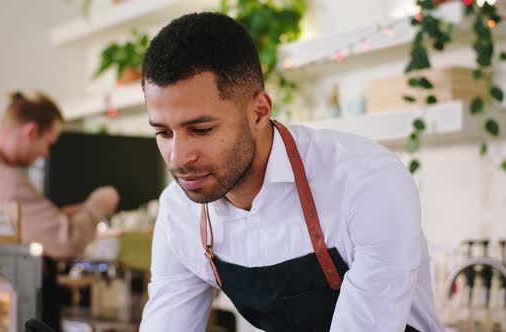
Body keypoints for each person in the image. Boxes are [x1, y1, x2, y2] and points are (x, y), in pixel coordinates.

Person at [138, 13, 444, 332]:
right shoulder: (179, 212)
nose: (178, 157)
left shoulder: (366, 181)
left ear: (259, 112)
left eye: (201, 129)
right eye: (163, 133)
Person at [0, 91, 119, 330]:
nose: (46, 154)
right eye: (48, 143)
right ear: (31, 132)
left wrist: (63, 215)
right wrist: (97, 205)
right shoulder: (4, 180)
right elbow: (67, 242)